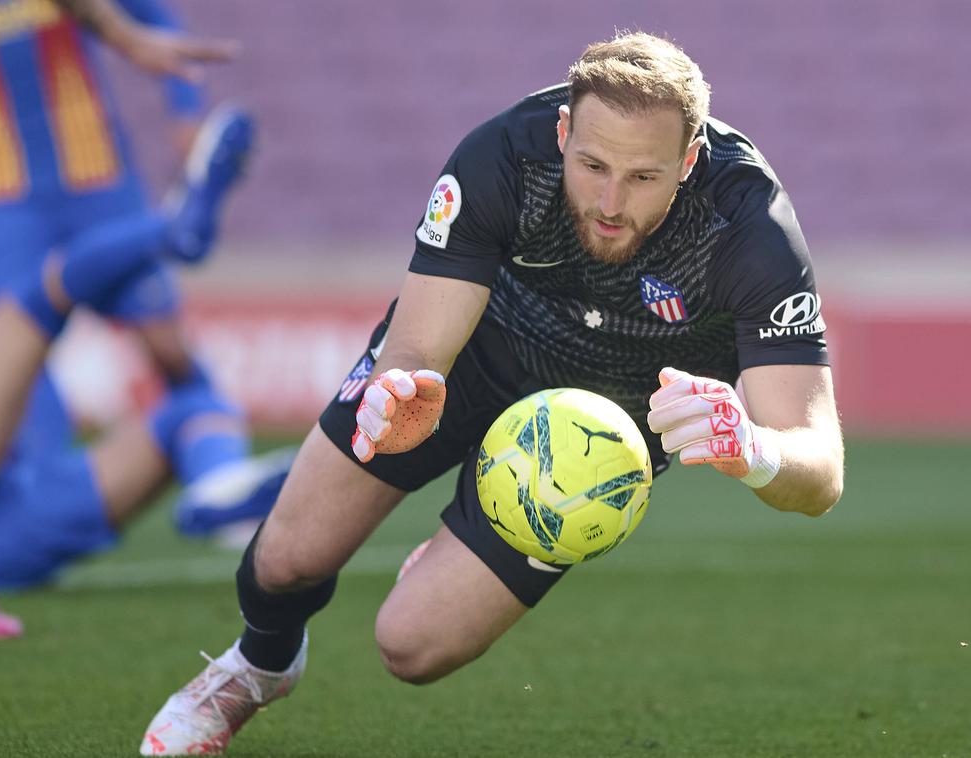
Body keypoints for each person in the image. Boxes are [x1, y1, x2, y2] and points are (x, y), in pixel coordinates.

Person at [139, 32, 845, 756]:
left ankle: (459, 548)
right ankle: (256, 668)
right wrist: (401, 389)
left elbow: (819, 471)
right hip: (480, 342)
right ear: (563, 132)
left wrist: (754, 449)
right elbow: (418, 348)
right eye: (593, 165)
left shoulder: (751, 231)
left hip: (607, 419)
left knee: (410, 648)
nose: (609, 201)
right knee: (283, 560)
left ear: (688, 162)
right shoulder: (504, 156)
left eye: (642, 177)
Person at [0, 0, 235, 639]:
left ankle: (223, 485)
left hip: (96, 180)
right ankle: (173, 228)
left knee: (165, 354)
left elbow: (146, 14)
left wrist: (180, 106)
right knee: (16, 351)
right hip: (9, 199)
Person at [0, 104, 294, 592]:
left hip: (7, 523)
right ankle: (173, 228)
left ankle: (220, 490)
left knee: (193, 407)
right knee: (45, 294)